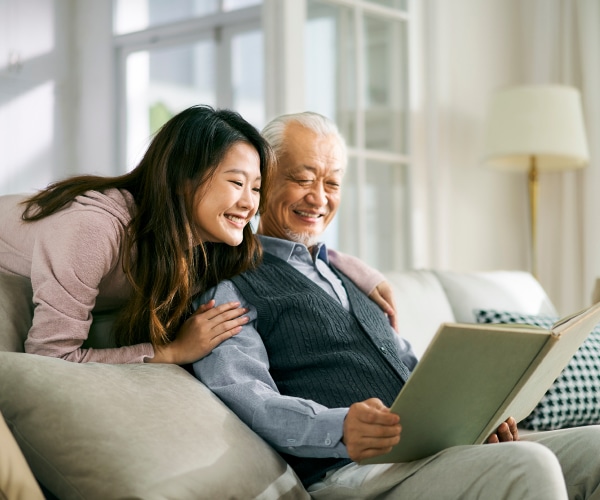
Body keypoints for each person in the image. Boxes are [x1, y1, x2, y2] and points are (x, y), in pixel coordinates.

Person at [193, 111, 600, 499]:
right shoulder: (231, 283)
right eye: (302, 179)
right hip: (349, 471)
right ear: (263, 182)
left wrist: (479, 415)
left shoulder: (350, 275)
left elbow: (409, 367)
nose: (318, 198)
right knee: (525, 464)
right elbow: (247, 395)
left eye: (332, 184)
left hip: (426, 454)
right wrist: (338, 426)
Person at [0, 105, 388, 365]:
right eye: (236, 182)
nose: (250, 203)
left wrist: (352, 271)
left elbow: (283, 248)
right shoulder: (94, 231)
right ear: (183, 181)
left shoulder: (211, 247)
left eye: (256, 188)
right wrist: (168, 352)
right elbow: (50, 359)